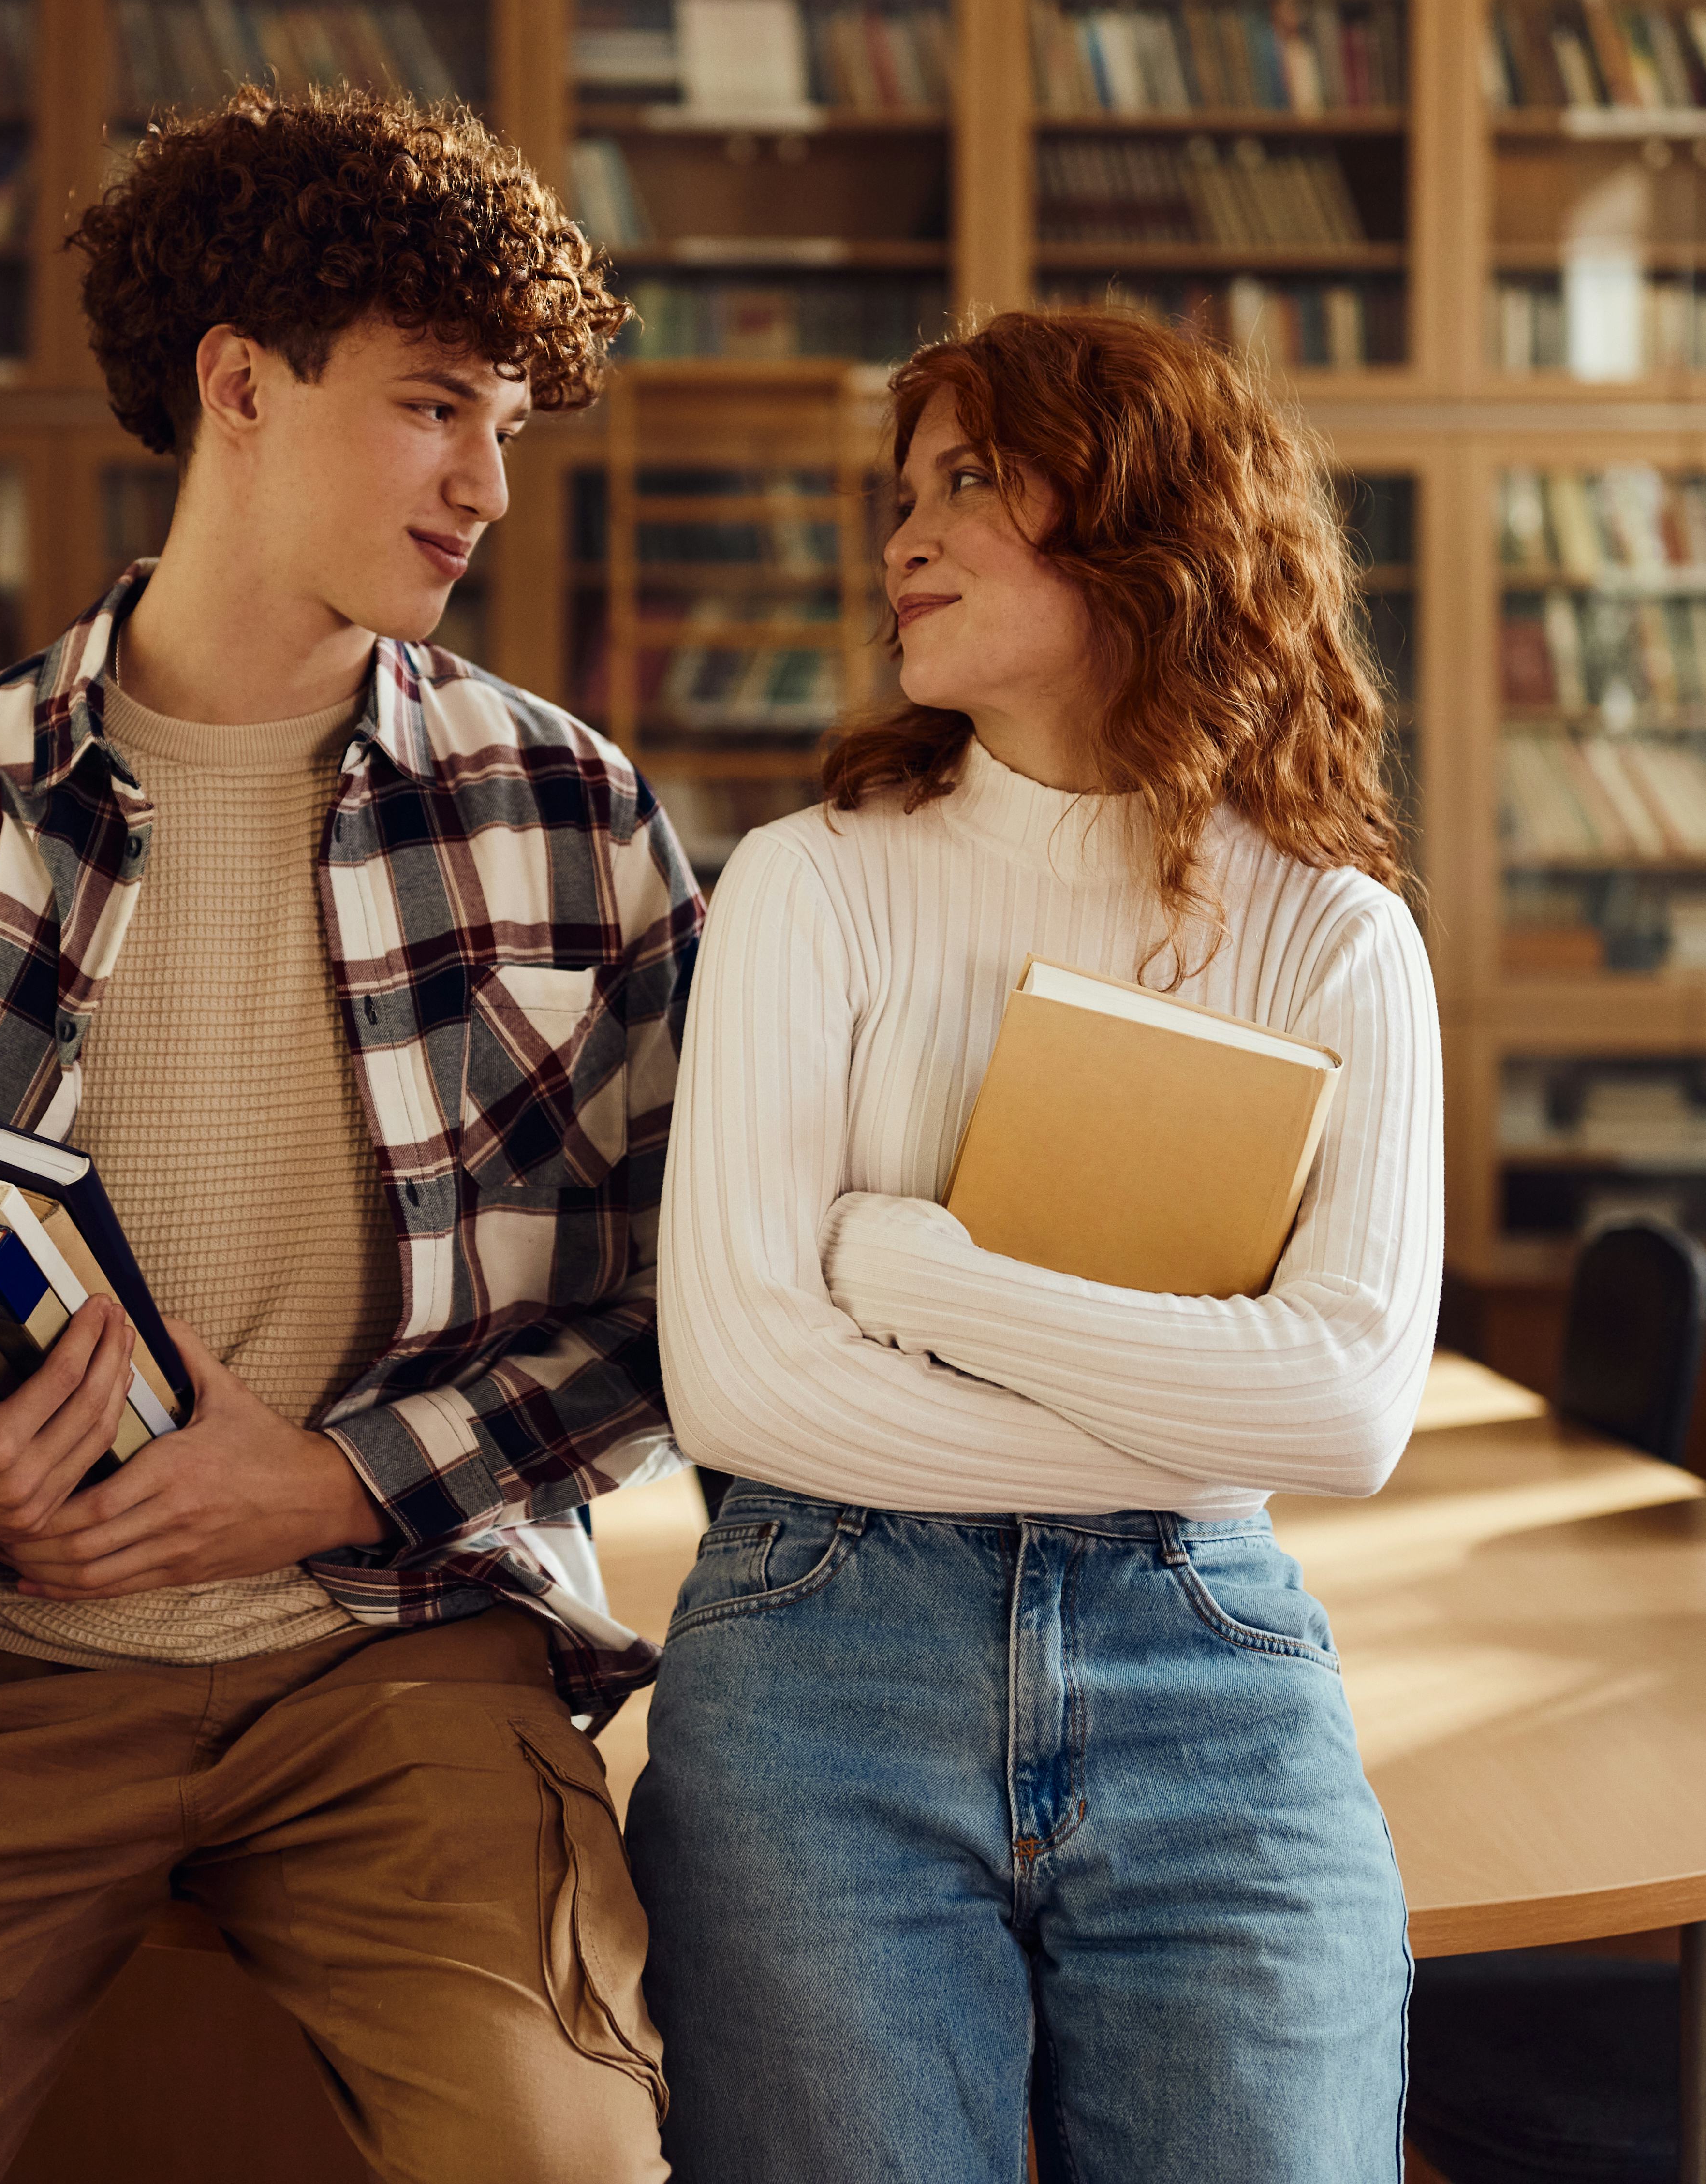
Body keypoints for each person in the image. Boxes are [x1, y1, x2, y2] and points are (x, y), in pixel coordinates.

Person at [0, 84, 699, 2184]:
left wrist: (337, 1481)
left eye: (505, 430)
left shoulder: (570, 811)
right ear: (239, 386)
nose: (485, 486)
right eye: (433, 409)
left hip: (401, 1659)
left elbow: (683, 1306)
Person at [631, 304, 1442, 2184]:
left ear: (1150, 524)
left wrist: (923, 1278)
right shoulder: (807, 883)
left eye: (971, 480)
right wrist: (1192, 1416)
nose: (901, 539)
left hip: (1208, 1661)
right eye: (901, 492)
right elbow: (739, 1389)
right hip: (819, 1665)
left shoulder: (1335, 936)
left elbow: (1340, 1413)